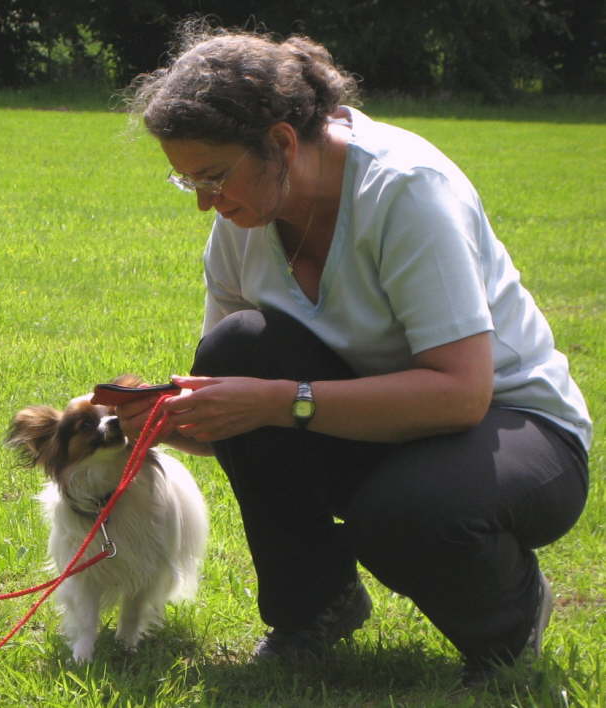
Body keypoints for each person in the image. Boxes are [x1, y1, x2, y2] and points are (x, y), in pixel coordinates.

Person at [118, 22, 591, 684]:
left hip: (514, 429)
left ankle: (508, 632)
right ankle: (314, 609)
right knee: (237, 346)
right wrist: (170, 421)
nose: (204, 202)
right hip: (377, 423)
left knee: (404, 512)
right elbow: (244, 408)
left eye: (214, 176)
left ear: (282, 142)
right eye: (187, 180)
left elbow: (462, 394)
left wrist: (280, 402)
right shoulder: (243, 219)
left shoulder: (406, 189)